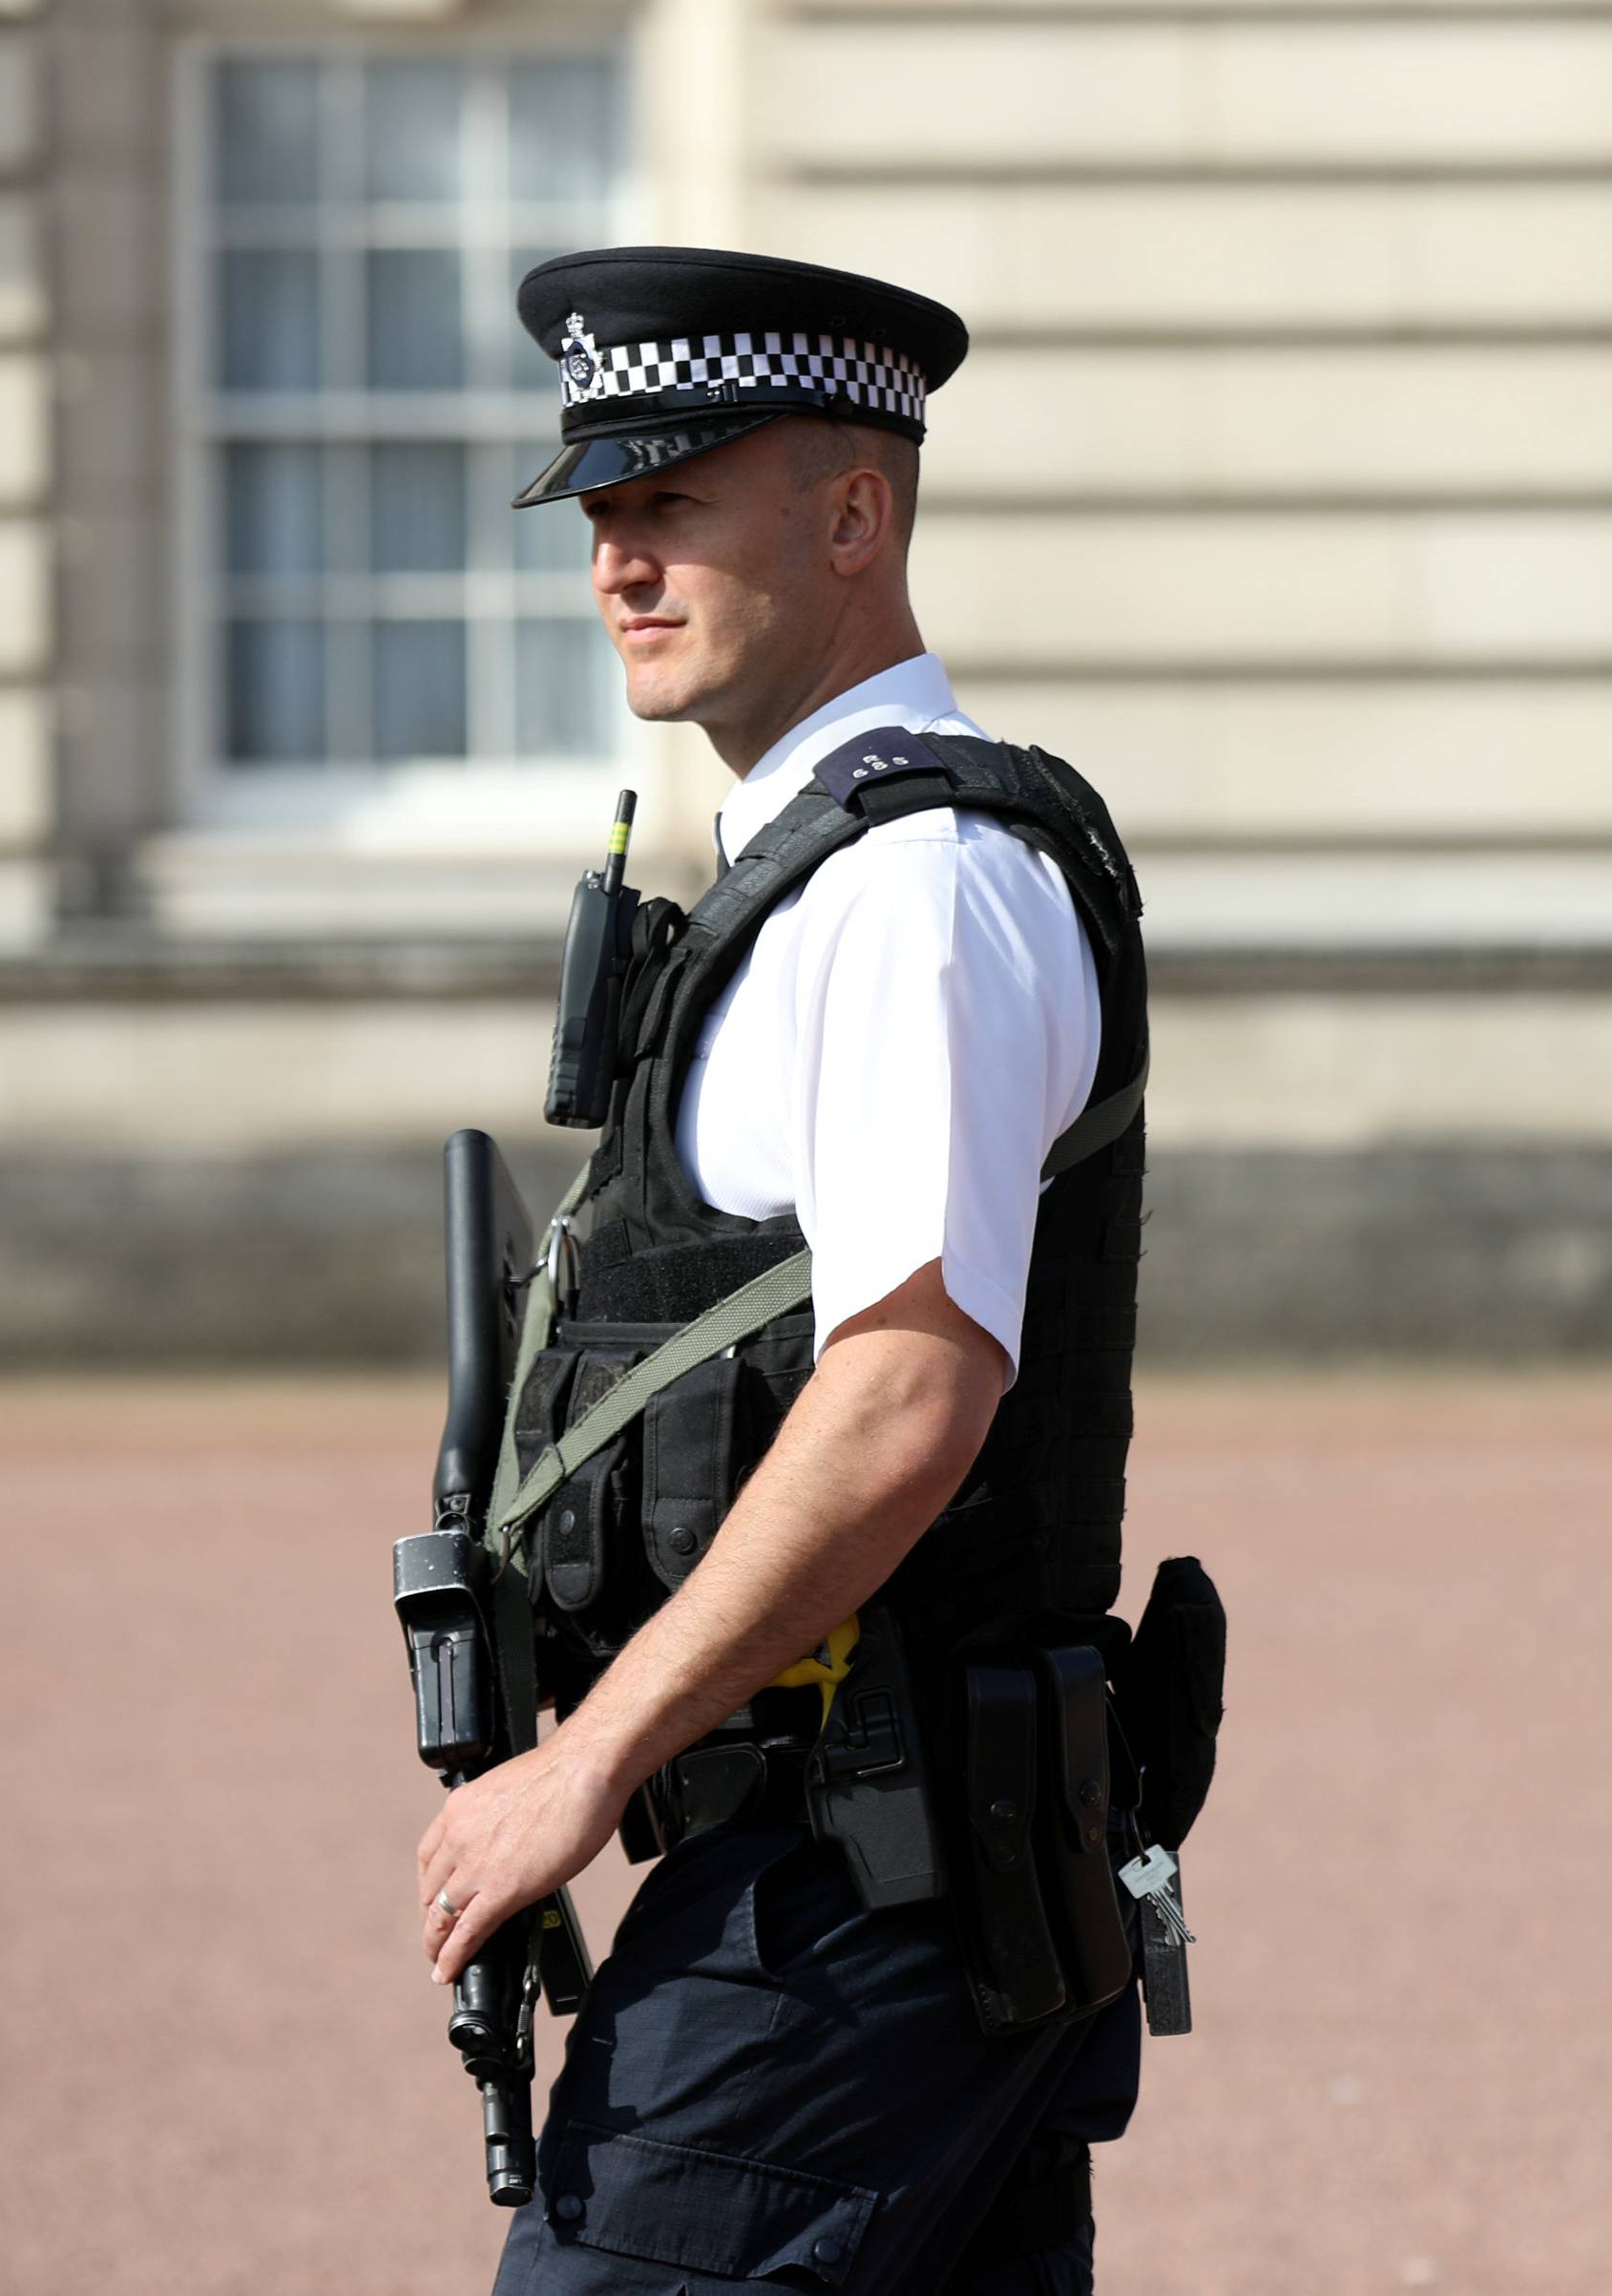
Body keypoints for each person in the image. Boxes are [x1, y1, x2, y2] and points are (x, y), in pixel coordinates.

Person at [416, 247, 1154, 2293]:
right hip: (872, 1864)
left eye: (673, 506)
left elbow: (909, 1389)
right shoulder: (811, 865)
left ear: (855, 517)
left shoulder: (915, 889)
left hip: (853, 1891)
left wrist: (587, 1761)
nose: (617, 566)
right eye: (602, 517)